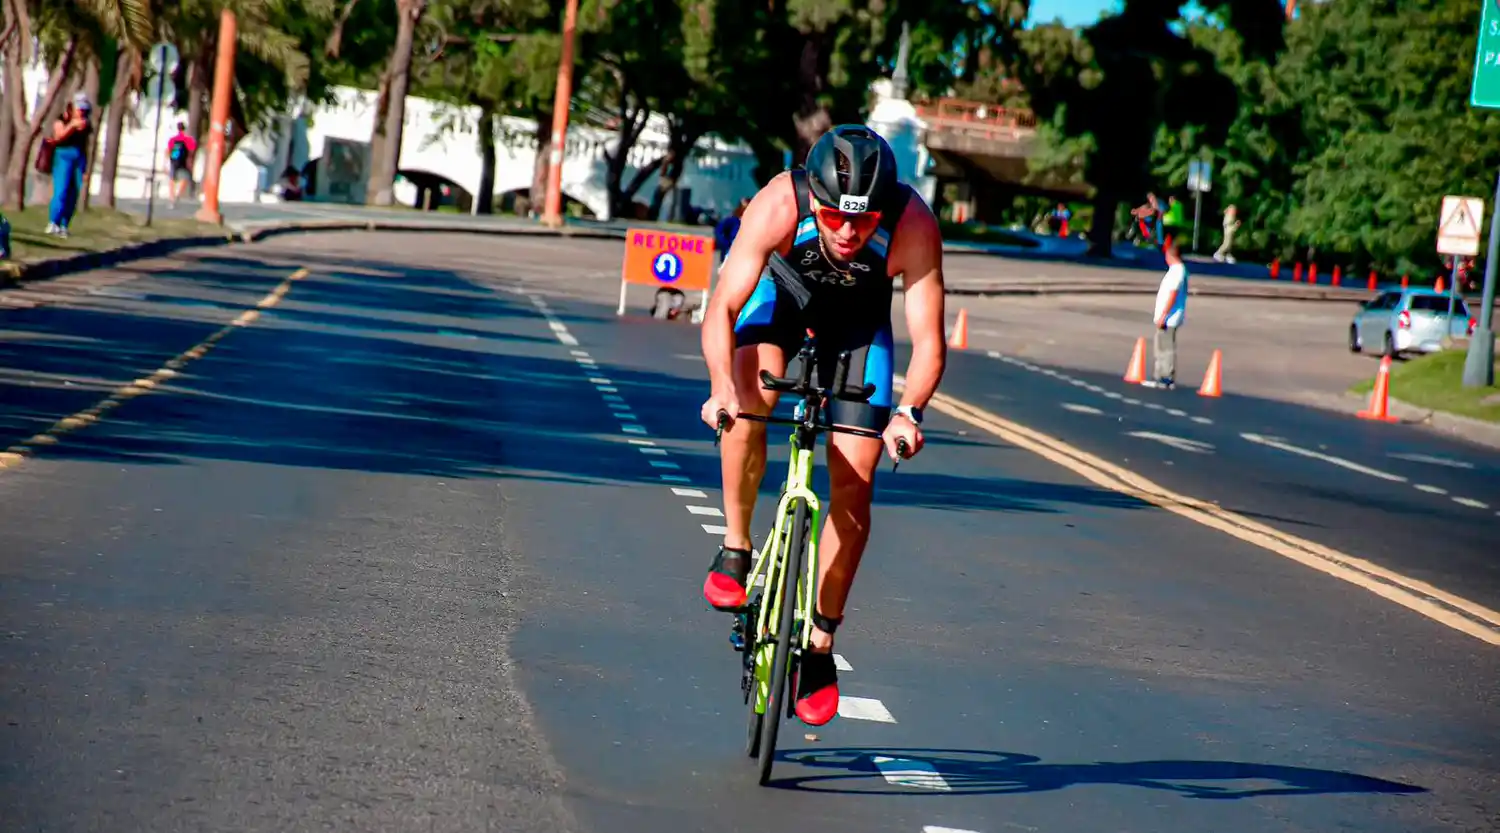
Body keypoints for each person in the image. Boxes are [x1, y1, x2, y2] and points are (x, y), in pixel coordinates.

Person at [696, 124, 947, 727]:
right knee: (748, 394)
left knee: (856, 479)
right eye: (834, 216)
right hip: (783, 300)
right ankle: (735, 544)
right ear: (814, 198)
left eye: (862, 221)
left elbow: (930, 342)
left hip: (860, 329)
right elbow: (722, 307)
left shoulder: (913, 224)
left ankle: (819, 644)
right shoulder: (780, 202)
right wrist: (721, 388)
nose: (846, 232)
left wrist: (910, 413)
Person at [46, 93, 93, 238]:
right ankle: (53, 221)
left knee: (74, 193)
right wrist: (72, 126)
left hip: (78, 157)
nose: (81, 112)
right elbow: (58, 137)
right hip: (63, 155)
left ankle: (64, 225)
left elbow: (86, 145)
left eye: (84, 110)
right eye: (79, 109)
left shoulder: (86, 124)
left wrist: (85, 167)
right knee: (61, 190)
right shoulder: (62, 120)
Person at [1148, 234, 1188, 389]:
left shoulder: (1177, 271)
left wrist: (1164, 315)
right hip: (1167, 316)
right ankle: (1159, 376)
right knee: (1160, 346)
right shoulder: (1176, 270)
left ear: (1170, 255)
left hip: (1170, 317)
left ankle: (1166, 377)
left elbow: (1173, 293)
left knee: (1166, 347)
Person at [164, 122, 198, 208]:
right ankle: (178, 195)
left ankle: (171, 197)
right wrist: (190, 162)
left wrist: (165, 162)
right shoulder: (188, 139)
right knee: (185, 179)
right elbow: (191, 152)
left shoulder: (173, 139)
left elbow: (168, 151)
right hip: (183, 161)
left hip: (174, 161)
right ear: (184, 129)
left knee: (172, 179)